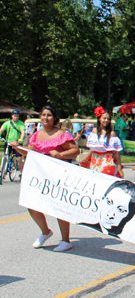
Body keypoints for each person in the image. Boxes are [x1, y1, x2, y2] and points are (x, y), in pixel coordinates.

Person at [12, 106, 80, 252]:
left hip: (58, 177)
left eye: (49, 115)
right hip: (41, 177)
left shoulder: (62, 134)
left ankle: (66, 240)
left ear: (55, 118)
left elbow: (75, 150)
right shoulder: (36, 135)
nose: (45, 118)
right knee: (32, 205)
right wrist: (18, 148)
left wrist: (60, 154)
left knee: (59, 208)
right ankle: (45, 232)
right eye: (43, 115)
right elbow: (29, 151)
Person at [79, 107, 124, 177]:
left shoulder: (112, 134)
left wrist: (119, 168)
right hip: (95, 161)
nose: (106, 120)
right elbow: (92, 150)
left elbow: (117, 153)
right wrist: (84, 158)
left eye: (108, 119)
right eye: (104, 118)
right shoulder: (94, 131)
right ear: (99, 118)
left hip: (107, 162)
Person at [0, 109, 26, 177]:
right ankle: (2, 169)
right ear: (12, 116)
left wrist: (21, 139)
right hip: (9, 142)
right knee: (5, 156)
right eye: (15, 116)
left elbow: (23, 132)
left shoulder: (21, 123)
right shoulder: (7, 123)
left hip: (17, 143)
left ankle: (21, 173)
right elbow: (1, 130)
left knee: (18, 158)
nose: (16, 117)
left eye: (17, 116)